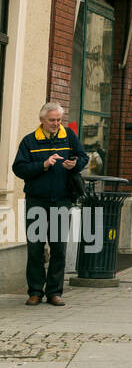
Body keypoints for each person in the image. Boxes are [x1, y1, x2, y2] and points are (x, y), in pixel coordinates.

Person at [12, 102, 88, 306]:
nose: (56, 123)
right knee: (35, 248)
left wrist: (75, 164)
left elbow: (83, 157)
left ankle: (54, 292)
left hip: (62, 200)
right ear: (42, 120)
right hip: (36, 201)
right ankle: (35, 291)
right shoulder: (29, 141)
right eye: (52, 120)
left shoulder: (69, 137)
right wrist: (43, 165)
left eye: (59, 120)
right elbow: (19, 168)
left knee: (58, 248)